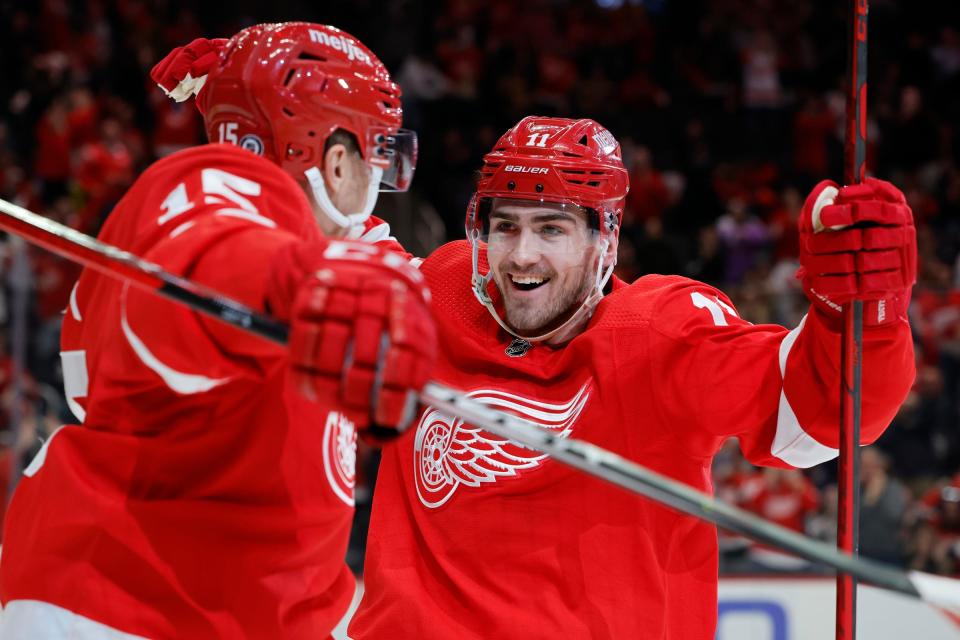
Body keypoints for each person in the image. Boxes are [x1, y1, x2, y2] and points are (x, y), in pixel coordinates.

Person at [349, 115, 917, 639]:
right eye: (505, 227)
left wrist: (862, 316)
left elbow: (824, 421)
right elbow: (324, 234)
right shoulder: (436, 291)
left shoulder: (663, 333)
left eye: (551, 230)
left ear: (605, 237)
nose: (521, 255)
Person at [0, 22, 436, 639]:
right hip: (131, 602)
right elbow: (197, 284)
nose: (379, 186)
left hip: (224, 603)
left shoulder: (316, 252)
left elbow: (400, 278)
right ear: (335, 158)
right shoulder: (210, 196)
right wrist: (297, 281)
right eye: (378, 156)